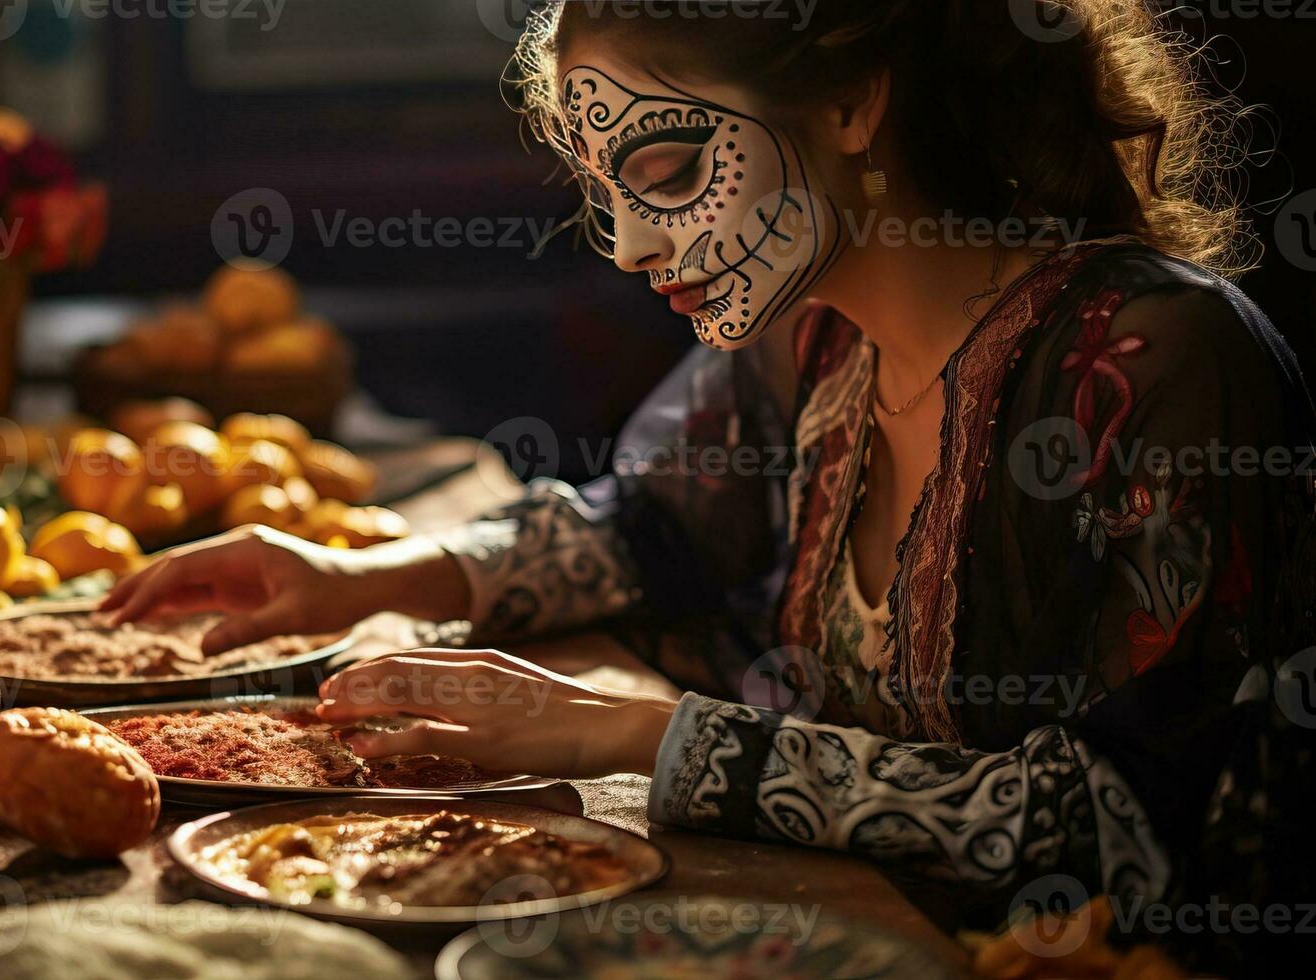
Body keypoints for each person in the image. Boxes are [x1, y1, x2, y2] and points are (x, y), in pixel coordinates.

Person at [103, 1, 1315, 966]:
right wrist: (350, 573)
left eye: (670, 169)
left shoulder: (1151, 360)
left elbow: (1137, 836)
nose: (626, 244)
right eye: (602, 191)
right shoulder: (807, 329)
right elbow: (645, 526)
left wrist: (636, 733)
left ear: (850, 101)